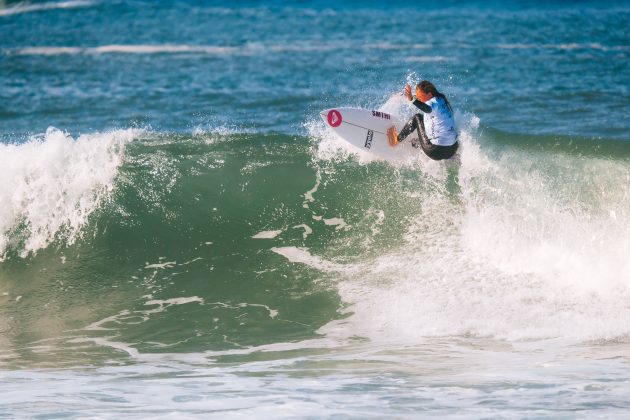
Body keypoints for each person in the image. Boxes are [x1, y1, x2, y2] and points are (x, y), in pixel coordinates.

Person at [386, 80, 458, 160]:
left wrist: (411, 99)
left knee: (417, 118)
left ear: (429, 94)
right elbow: (418, 98)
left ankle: (396, 139)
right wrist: (402, 96)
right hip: (452, 149)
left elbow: (427, 109)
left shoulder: (432, 103)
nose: (419, 99)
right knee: (430, 122)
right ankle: (418, 143)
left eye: (420, 97)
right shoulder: (440, 98)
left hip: (436, 151)